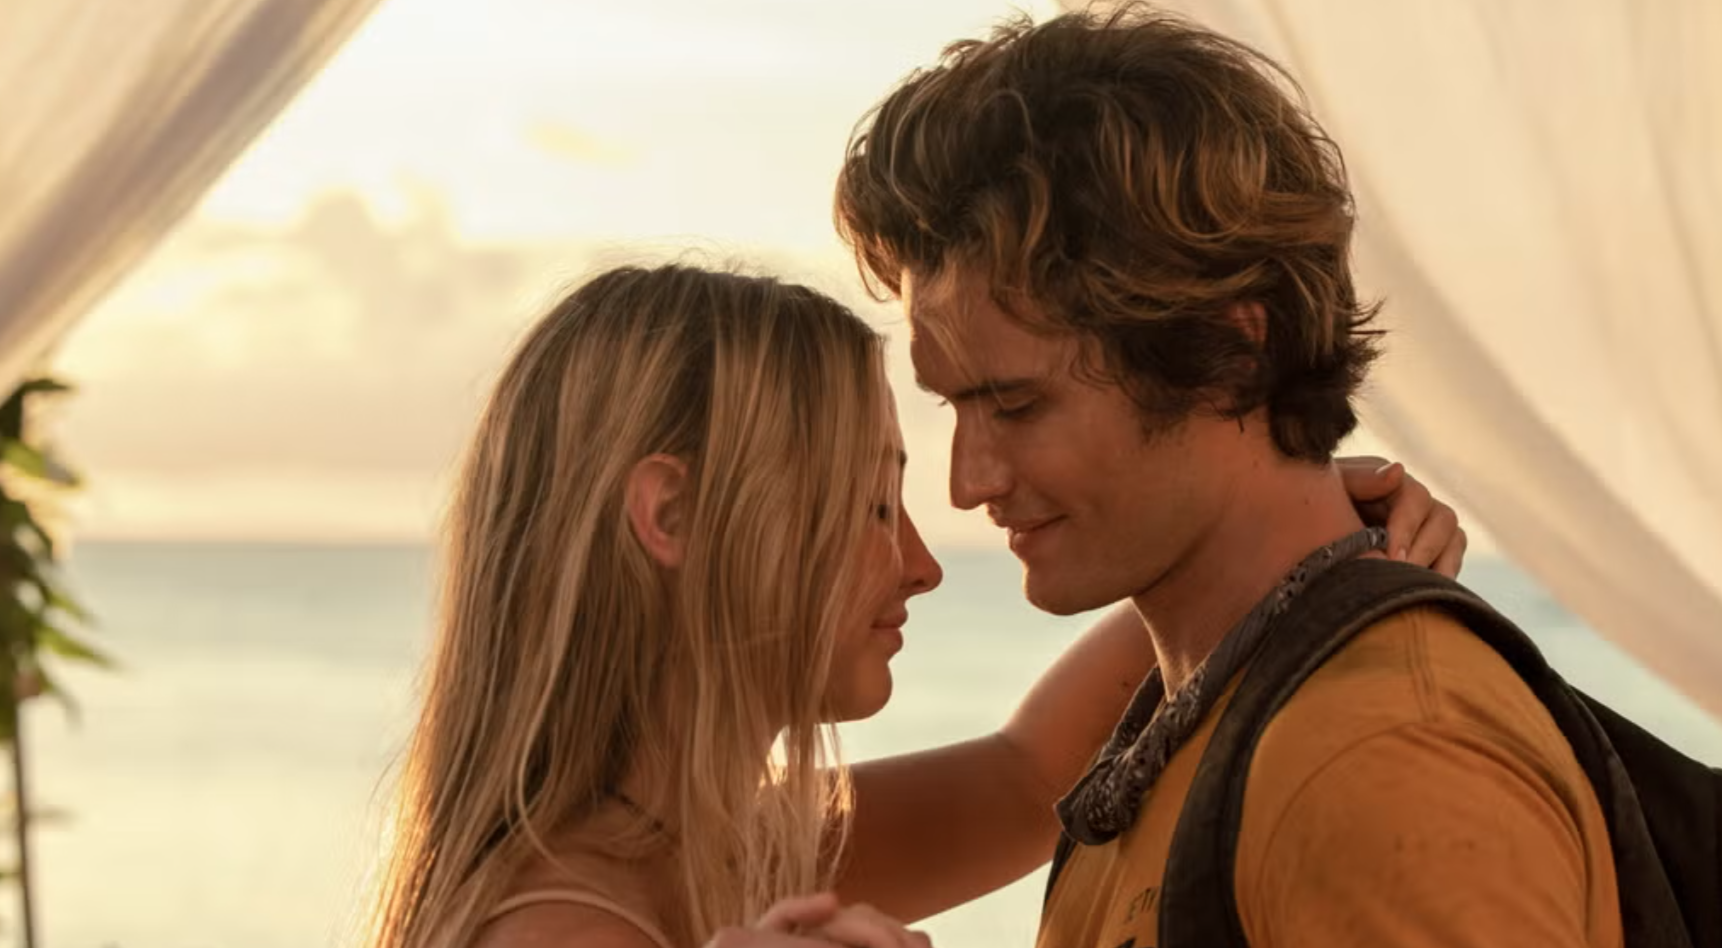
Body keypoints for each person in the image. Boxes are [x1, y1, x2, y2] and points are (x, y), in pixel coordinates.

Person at [361, 262, 1463, 948]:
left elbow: (1030, 781)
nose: (922, 565)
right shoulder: (567, 924)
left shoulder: (717, 848)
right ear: (673, 514)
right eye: (871, 505)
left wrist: (1279, 533)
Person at [827, 4, 1618, 947]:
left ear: (1230, 355)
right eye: (956, 406)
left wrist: (1328, 577)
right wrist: (1314, 565)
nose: (967, 483)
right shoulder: (1177, 733)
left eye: (1018, 405)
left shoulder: (1381, 756)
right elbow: (1020, 777)